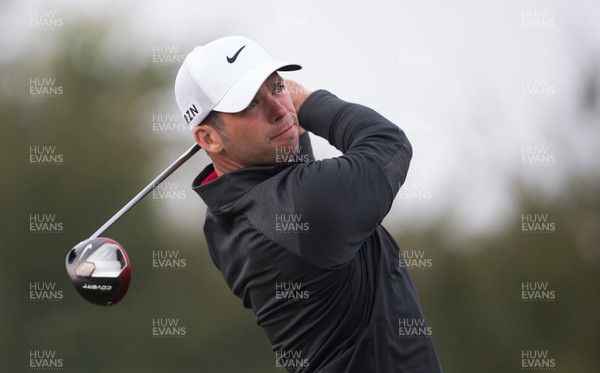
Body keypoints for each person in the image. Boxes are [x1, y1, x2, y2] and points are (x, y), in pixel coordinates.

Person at [174, 35, 442, 372]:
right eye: (250, 104)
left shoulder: (220, 221)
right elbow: (387, 142)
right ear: (208, 138)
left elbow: (281, 172)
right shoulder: (301, 207)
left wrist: (285, 119)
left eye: (277, 87)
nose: (278, 109)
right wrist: (309, 103)